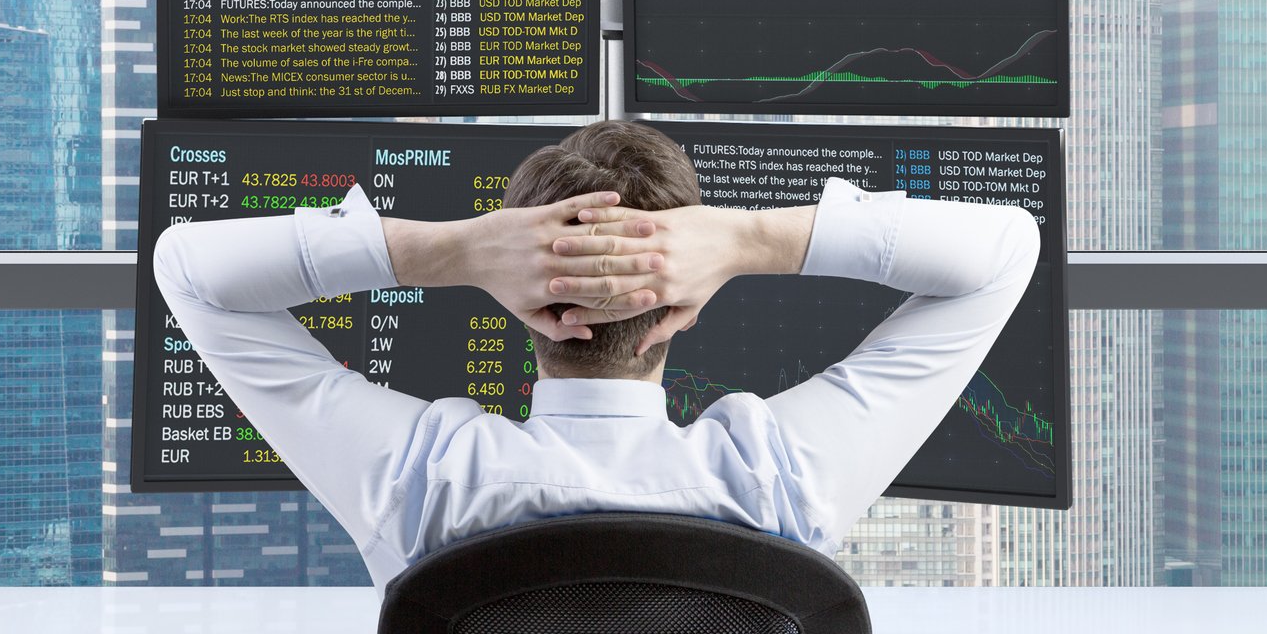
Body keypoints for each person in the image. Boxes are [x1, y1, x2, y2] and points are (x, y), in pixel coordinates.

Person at [152, 119, 1038, 587]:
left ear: (518, 306)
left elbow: (187, 271)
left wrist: (457, 251)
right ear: (684, 312)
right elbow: (1005, 252)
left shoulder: (425, 484)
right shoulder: (779, 480)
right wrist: (748, 239)